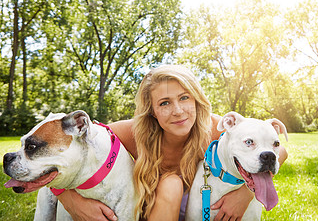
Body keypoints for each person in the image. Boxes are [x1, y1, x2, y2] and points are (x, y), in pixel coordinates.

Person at [57, 65, 288, 221]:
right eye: (165, 103)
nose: (178, 111)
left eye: (184, 98)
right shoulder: (130, 132)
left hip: (190, 209)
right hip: (138, 208)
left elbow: (279, 151)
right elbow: (63, 150)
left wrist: (246, 194)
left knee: (172, 184)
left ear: (197, 100)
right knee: (171, 183)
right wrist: (71, 201)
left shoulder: (214, 129)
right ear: (153, 111)